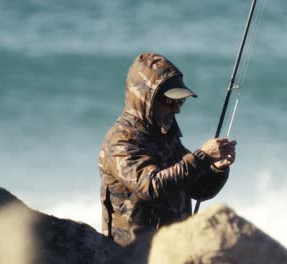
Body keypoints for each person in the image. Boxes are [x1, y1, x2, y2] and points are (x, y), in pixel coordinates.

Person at [98, 53, 236, 246]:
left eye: (180, 102)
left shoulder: (166, 136)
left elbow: (199, 190)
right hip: (132, 255)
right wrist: (203, 157)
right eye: (170, 102)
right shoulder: (121, 141)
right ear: (147, 98)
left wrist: (217, 169)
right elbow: (151, 186)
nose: (177, 109)